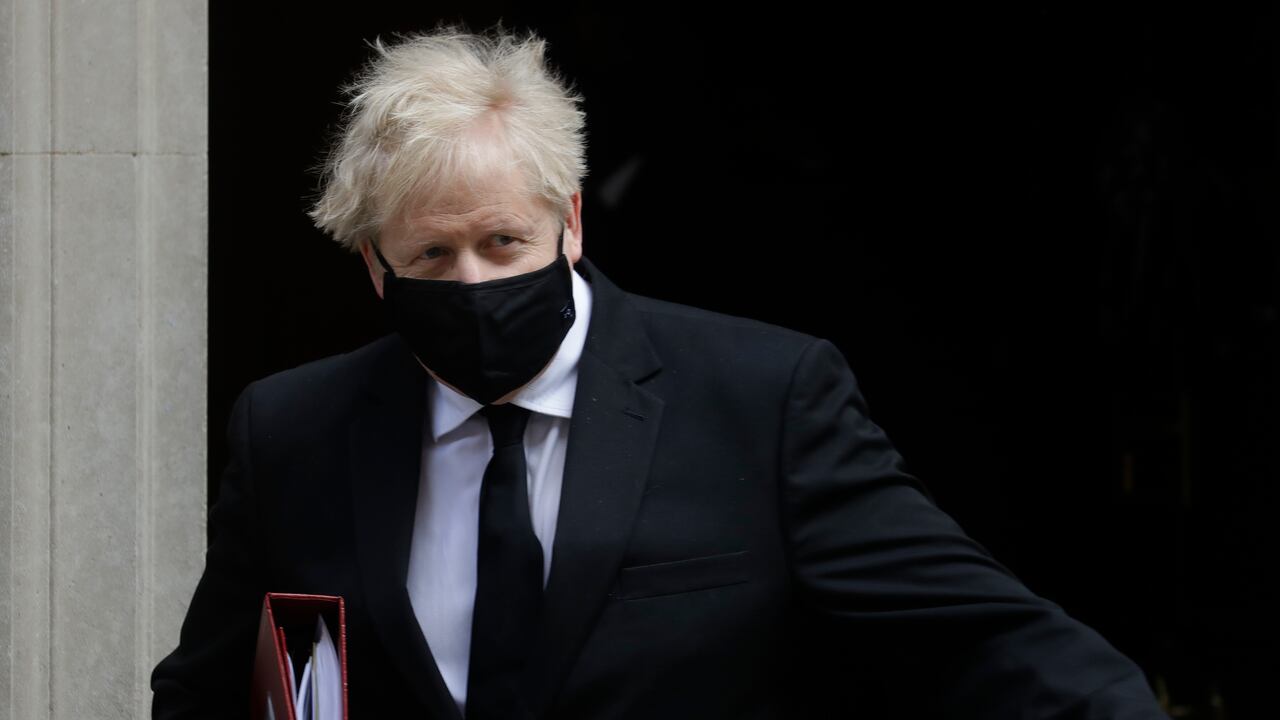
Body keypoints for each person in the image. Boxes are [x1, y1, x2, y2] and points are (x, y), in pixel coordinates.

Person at [151, 26, 1170, 719]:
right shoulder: (293, 432)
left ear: (571, 222)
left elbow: (982, 637)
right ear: (373, 267)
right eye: (430, 256)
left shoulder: (761, 400)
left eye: (504, 242)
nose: (470, 280)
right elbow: (208, 695)